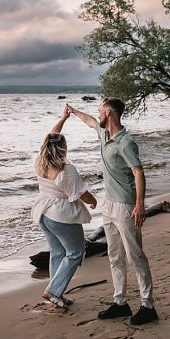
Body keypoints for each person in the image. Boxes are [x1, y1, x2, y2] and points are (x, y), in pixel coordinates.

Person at [67, 98, 157, 325]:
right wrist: (73, 111)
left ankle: (148, 306)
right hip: (109, 205)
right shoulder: (103, 133)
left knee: (135, 256)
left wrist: (140, 204)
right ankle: (120, 303)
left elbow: (138, 172)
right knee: (114, 255)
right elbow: (89, 121)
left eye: (100, 111)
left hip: (126, 206)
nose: (97, 114)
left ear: (108, 112)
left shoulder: (126, 142)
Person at [32, 106, 98, 309]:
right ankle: (54, 291)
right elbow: (80, 193)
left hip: (43, 212)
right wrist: (92, 201)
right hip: (60, 215)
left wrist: (63, 119)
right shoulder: (66, 169)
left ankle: (55, 291)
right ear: (63, 149)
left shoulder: (40, 161)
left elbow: (52, 136)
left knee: (58, 252)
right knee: (76, 252)